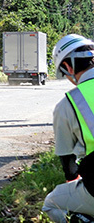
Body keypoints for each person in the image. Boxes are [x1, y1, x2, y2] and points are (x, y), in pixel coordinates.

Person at [43, 34, 94, 222]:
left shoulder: (69, 103)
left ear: (68, 67)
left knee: (51, 203)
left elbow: (68, 162)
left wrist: (74, 182)